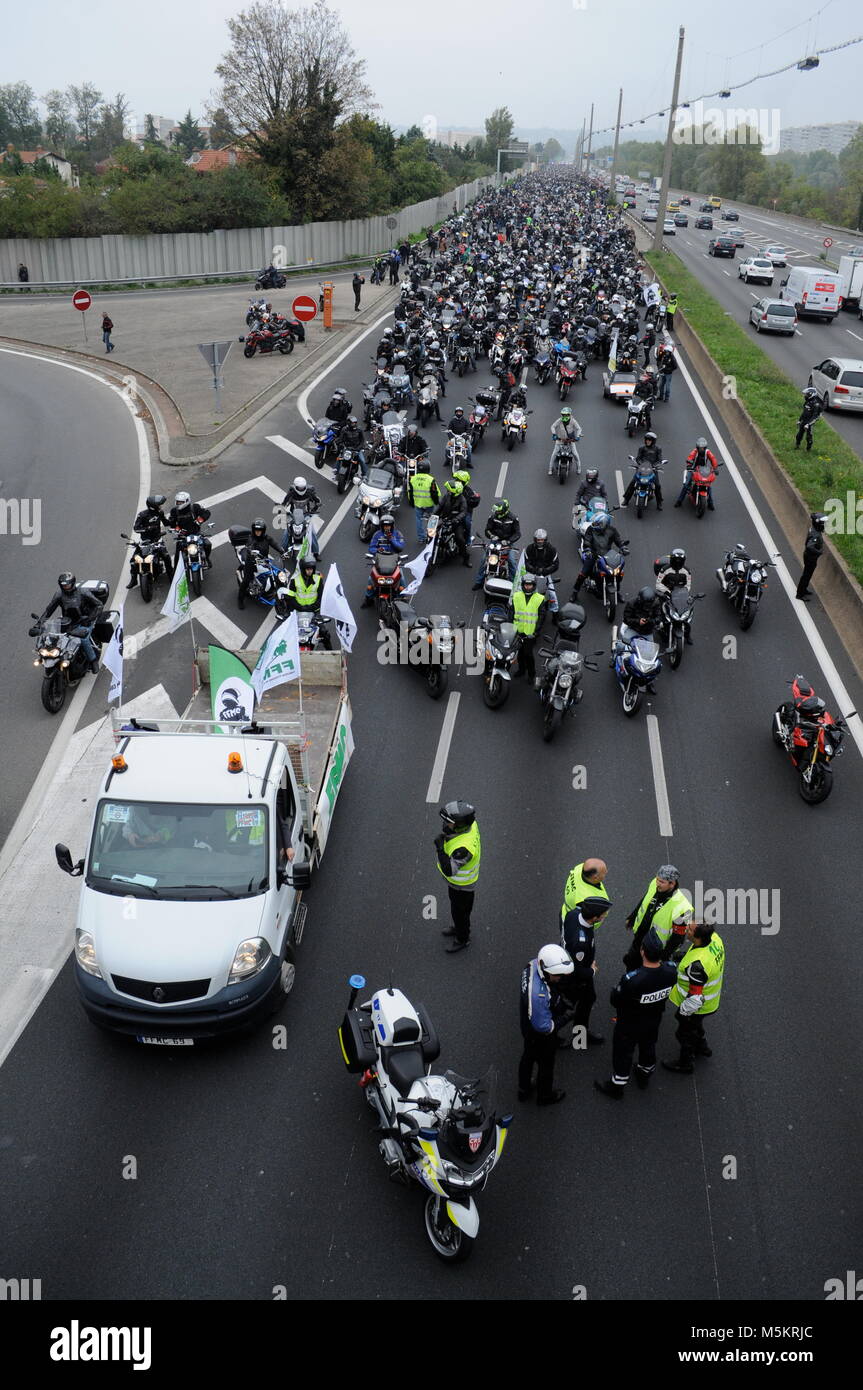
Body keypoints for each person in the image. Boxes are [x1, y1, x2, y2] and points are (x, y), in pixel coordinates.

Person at [594, 932, 678, 1098]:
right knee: (648, 1045)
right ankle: (644, 1073)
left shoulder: (632, 979)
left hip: (630, 1023)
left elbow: (616, 1000)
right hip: (654, 1019)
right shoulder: (670, 971)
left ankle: (617, 1086)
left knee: (623, 1052)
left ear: (642, 951)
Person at [662, 921, 726, 1074]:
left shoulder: (696, 966)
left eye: (689, 930)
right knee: (696, 1026)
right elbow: (700, 953)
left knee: (684, 1033)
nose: (686, 930)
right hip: (710, 1002)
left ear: (697, 937)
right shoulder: (715, 939)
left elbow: (695, 998)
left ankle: (685, 1063)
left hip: (699, 1006)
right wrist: (682, 956)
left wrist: (683, 1013)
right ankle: (702, 1047)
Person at [518, 944, 574, 1105]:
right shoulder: (539, 996)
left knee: (527, 1057)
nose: (559, 978)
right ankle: (545, 1096)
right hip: (539, 1034)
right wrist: (566, 1017)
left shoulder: (532, 964)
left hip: (526, 1024)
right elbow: (545, 1027)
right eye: (556, 975)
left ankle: (524, 1089)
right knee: (546, 1064)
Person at [560, 897, 613, 1047]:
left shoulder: (573, 915)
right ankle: (562, 1036)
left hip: (571, 966)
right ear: (594, 918)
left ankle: (580, 1035)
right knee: (568, 1006)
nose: (604, 916)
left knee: (588, 999)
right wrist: (591, 971)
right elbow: (575, 970)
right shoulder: (580, 942)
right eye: (603, 914)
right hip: (576, 977)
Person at [623, 864, 693, 971]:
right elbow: (645, 900)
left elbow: (677, 938)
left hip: (655, 951)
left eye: (661, 882)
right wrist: (632, 917)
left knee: (646, 976)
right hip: (640, 938)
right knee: (631, 963)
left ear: (672, 884)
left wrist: (663, 957)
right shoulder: (655, 885)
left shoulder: (683, 908)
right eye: (657, 879)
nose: (657, 883)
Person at [33, 573, 102, 674]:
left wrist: (89, 618)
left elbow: (99, 605)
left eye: (67, 585)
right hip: (67, 621)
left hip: (84, 621)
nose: (66, 587)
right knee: (53, 638)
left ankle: (93, 661)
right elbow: (49, 610)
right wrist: (39, 624)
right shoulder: (59, 595)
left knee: (83, 639)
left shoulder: (83, 592)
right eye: (63, 585)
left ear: (73, 583)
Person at [435, 800, 480, 954]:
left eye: (449, 823)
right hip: (458, 886)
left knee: (460, 913)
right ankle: (459, 928)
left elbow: (449, 870)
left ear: (460, 825)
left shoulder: (463, 848)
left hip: (462, 887)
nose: (446, 825)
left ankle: (462, 938)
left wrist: (440, 849)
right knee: (458, 911)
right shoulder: (471, 825)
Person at [571, 512, 627, 596]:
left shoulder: (612, 530)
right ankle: (575, 592)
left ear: (603, 524)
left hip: (608, 556)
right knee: (584, 573)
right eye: (594, 523)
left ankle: (617, 592)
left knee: (618, 573)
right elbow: (587, 540)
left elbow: (618, 540)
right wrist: (588, 549)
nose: (594, 525)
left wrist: (623, 547)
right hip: (593, 555)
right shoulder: (591, 529)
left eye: (597, 524)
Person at [473, 498, 521, 587]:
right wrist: (491, 536)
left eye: (498, 511)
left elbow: (517, 534)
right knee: (484, 559)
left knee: (511, 561)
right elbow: (487, 530)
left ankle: (514, 584)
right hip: (495, 541)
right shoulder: (493, 517)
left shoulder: (513, 518)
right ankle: (479, 581)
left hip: (507, 543)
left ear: (504, 510)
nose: (496, 513)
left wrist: (508, 541)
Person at [361, 513, 406, 606]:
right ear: (381, 526)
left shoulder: (398, 534)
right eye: (385, 526)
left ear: (392, 526)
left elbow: (400, 547)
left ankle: (403, 598)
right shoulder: (377, 534)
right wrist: (377, 550)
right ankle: (368, 598)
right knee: (370, 579)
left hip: (394, 562)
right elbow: (371, 548)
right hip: (380, 561)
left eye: (388, 526)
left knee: (402, 579)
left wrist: (392, 539)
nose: (387, 528)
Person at [238, 517, 284, 608]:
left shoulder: (266, 538)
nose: (258, 532)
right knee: (247, 580)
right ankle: (240, 599)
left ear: (263, 530)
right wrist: (251, 551)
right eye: (256, 530)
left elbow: (275, 544)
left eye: (260, 530)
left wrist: (282, 551)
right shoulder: (251, 539)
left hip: (263, 561)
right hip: (251, 562)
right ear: (253, 530)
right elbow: (249, 546)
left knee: (274, 573)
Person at [126, 493, 168, 589]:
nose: (160, 506)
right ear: (153, 506)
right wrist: (147, 528)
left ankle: (171, 576)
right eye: (159, 505)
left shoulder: (160, 513)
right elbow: (136, 528)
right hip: (144, 542)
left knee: (166, 557)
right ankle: (134, 580)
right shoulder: (142, 515)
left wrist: (174, 522)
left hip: (158, 540)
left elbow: (166, 522)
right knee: (133, 561)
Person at [509, 573, 546, 682]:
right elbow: (511, 612)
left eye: (530, 585)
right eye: (526, 585)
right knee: (519, 653)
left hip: (531, 633)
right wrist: (509, 626)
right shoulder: (516, 596)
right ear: (523, 585)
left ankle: (531, 673)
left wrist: (536, 632)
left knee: (528, 654)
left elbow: (541, 616)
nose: (527, 587)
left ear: (534, 585)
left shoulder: (539, 598)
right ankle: (521, 670)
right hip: (517, 631)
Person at [167, 492, 212, 571]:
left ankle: (207, 559)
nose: (178, 503)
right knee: (178, 555)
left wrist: (200, 520)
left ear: (187, 501)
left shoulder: (195, 507)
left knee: (208, 544)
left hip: (196, 534)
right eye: (177, 502)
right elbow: (172, 524)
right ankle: (176, 572)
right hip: (183, 535)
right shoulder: (174, 511)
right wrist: (176, 528)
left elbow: (207, 512)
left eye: (180, 502)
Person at [559, 857, 610, 925]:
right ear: (595, 877)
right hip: (572, 923)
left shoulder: (580, 868)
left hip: (565, 911)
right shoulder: (587, 900)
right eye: (603, 872)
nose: (606, 872)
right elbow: (590, 919)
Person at [280, 476, 322, 557]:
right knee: (286, 533)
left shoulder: (309, 492)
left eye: (303, 487)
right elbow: (284, 503)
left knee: (312, 533)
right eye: (299, 488)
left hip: (306, 515)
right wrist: (281, 509)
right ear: (295, 487)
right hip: (293, 516)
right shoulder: (291, 493)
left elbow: (318, 501)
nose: (301, 489)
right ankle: (282, 551)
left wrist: (315, 507)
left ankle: (316, 553)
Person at [622, 430, 664, 508]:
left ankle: (659, 502)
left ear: (653, 441)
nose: (647, 441)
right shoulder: (642, 448)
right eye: (646, 440)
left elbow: (659, 460)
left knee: (657, 485)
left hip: (652, 469)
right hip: (642, 469)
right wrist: (640, 464)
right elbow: (638, 458)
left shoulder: (658, 449)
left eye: (649, 440)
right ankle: (626, 499)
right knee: (633, 482)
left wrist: (654, 466)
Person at [522, 528, 560, 614]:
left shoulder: (551, 549)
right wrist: (534, 570)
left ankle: (555, 612)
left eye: (542, 540)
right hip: (531, 574)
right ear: (535, 539)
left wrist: (545, 571)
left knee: (552, 594)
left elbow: (556, 564)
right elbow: (525, 563)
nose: (540, 542)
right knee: (521, 590)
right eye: (538, 540)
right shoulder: (529, 548)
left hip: (545, 575)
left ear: (545, 540)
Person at [674, 437, 719, 509]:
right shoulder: (695, 451)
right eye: (700, 448)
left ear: (705, 447)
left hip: (703, 470)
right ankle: (679, 501)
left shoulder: (708, 452)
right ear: (697, 447)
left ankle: (710, 503)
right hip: (693, 469)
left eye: (703, 448)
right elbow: (690, 457)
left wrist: (715, 468)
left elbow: (713, 459)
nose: (701, 449)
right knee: (686, 484)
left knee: (708, 486)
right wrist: (689, 465)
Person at [407, 457, 440, 542]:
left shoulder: (412, 479)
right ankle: (431, 536)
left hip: (418, 504)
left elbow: (410, 492)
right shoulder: (431, 479)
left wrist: (411, 502)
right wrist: (437, 502)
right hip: (429, 504)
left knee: (419, 520)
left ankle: (421, 538)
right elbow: (435, 493)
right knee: (431, 519)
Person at [796, 512, 826, 601]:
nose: (823, 524)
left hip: (810, 556)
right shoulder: (815, 534)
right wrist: (819, 552)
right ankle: (800, 594)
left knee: (807, 575)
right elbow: (810, 546)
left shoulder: (813, 529)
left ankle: (803, 589)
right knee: (806, 575)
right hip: (810, 557)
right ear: (817, 523)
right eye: (822, 523)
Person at [548, 407, 582, 477]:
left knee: (575, 454)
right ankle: (550, 469)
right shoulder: (560, 420)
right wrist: (554, 434)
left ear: (569, 415)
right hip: (560, 440)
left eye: (566, 415)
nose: (564, 416)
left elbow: (579, 428)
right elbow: (553, 426)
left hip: (570, 441)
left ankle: (579, 468)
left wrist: (578, 436)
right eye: (563, 415)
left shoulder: (573, 421)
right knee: (554, 454)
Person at [795, 386, 823, 451]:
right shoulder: (807, 401)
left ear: (811, 394)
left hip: (809, 422)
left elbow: (815, 416)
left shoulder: (816, 404)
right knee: (799, 435)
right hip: (804, 421)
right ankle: (797, 445)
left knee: (809, 437)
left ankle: (808, 449)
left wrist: (808, 424)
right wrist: (799, 420)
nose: (806, 396)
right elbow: (804, 412)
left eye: (807, 394)